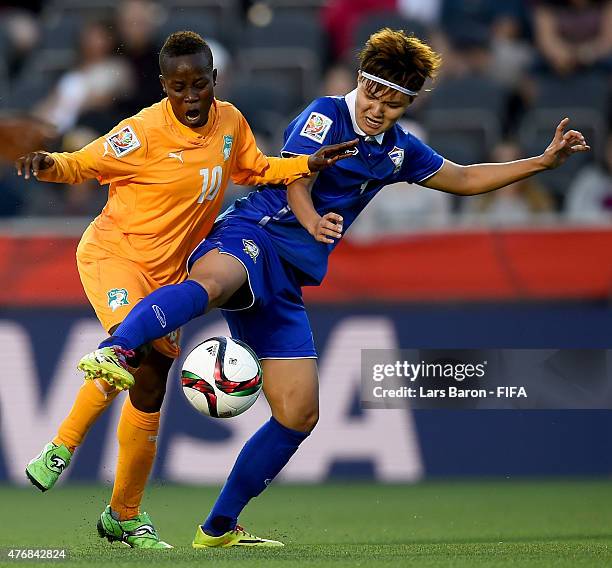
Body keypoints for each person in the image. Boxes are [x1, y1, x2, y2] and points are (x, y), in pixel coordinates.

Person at [76, 28, 590, 548]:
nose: (378, 110)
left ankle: (218, 528)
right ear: (359, 83)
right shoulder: (326, 114)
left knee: (299, 413)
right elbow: (295, 176)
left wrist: (541, 163)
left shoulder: (398, 150)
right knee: (213, 282)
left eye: (393, 104)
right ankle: (119, 344)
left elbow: (462, 177)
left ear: (407, 104)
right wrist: (314, 219)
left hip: (287, 279)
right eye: (373, 95)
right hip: (253, 232)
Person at [16, 30, 357, 549]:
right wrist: (49, 164)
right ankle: (62, 446)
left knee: (151, 383)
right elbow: (84, 162)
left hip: (169, 273)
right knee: (126, 355)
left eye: (200, 84)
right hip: (117, 256)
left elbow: (257, 169)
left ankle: (124, 516)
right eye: (179, 87)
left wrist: (306, 165)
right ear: (163, 87)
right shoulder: (142, 131)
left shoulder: (230, 121)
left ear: (214, 80)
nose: (191, 96)